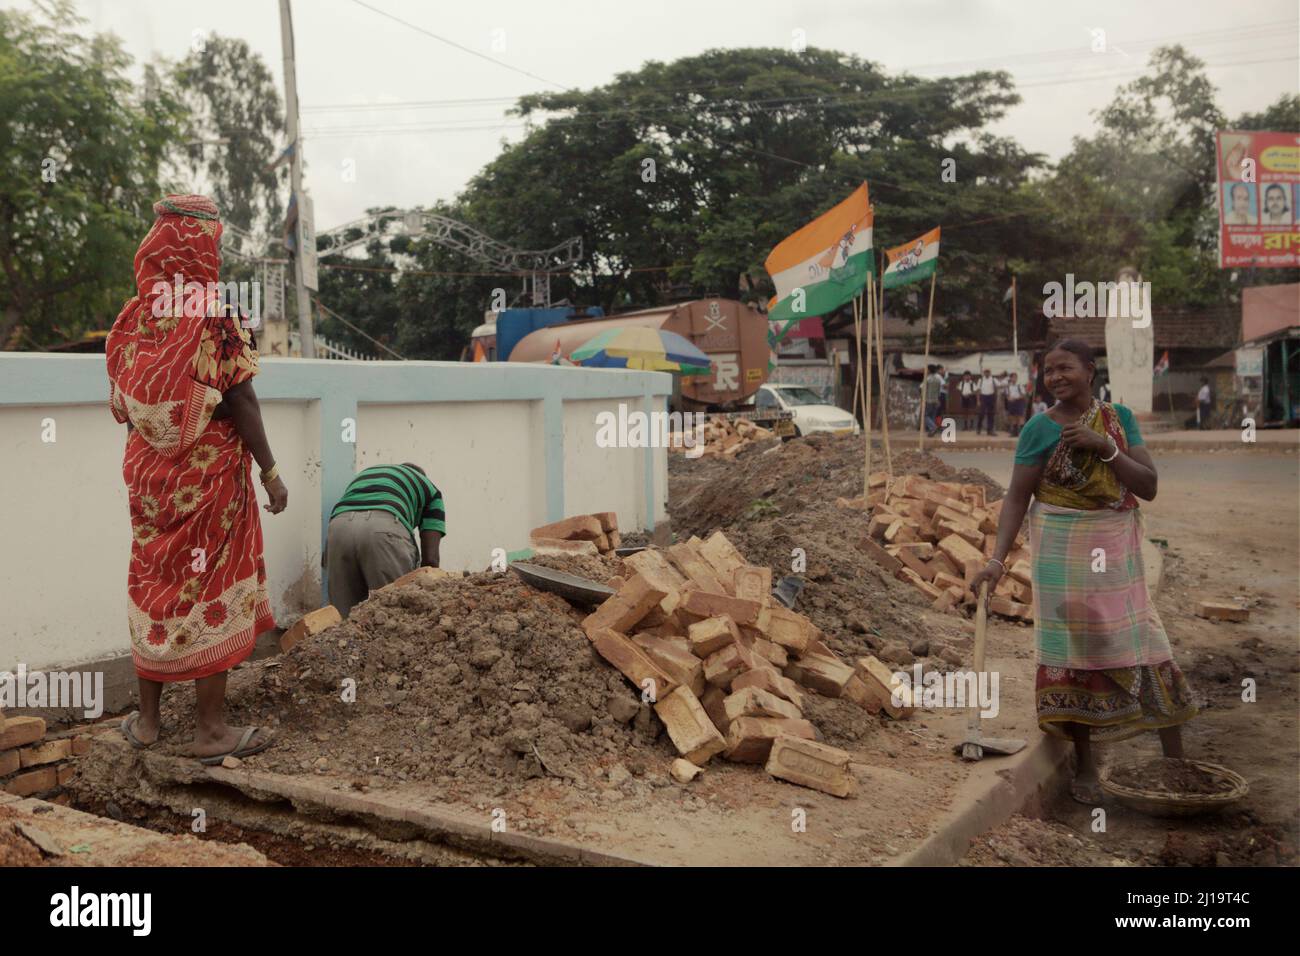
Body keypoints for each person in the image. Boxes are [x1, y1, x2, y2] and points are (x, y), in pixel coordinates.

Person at [971, 339, 1197, 804]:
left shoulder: (1119, 420)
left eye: (1064, 368)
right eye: (1048, 371)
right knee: (1073, 654)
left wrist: (1105, 447)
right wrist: (997, 560)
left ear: (1090, 371)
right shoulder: (1037, 429)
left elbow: (1149, 485)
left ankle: (1177, 763)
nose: (1054, 377)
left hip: (1116, 557)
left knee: (1145, 641)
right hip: (1061, 557)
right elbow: (1017, 497)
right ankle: (1086, 766)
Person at [106, 194, 287, 765]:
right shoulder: (215, 314)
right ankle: (211, 732)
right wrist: (271, 471)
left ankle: (149, 723)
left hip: (148, 480)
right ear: (202, 247)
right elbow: (242, 397)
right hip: (206, 482)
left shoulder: (135, 317)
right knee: (210, 585)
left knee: (154, 583)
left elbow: (121, 401)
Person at [327, 463, 446, 617]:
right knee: (395, 613)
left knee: (344, 618)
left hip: (339, 528)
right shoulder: (430, 490)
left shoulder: (367, 475)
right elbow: (431, 560)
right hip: (383, 528)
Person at [922, 365, 943, 436]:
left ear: (929, 370)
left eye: (927, 369)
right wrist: (938, 400)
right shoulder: (938, 379)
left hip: (929, 400)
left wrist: (923, 398)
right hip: (936, 400)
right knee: (932, 416)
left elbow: (922, 388)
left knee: (925, 416)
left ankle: (933, 427)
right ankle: (932, 431)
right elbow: (939, 390)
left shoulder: (928, 379)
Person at [976, 368, 997, 435]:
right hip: (983, 397)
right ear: (984, 373)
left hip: (991, 397)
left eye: (988, 372)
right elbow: (978, 391)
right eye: (986, 372)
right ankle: (978, 428)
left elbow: (999, 385)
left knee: (991, 414)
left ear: (990, 373)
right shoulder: (981, 380)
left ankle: (990, 430)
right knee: (981, 413)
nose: (987, 373)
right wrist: (978, 400)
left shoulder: (993, 379)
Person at [1005, 372, 1026, 436]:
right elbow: (1007, 395)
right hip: (1011, 403)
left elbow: (1023, 395)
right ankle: (1014, 432)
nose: (1014, 379)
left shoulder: (1019, 385)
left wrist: (1016, 398)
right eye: (1013, 377)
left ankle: (1022, 433)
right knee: (1013, 417)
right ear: (1010, 378)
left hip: (1019, 402)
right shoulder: (1008, 386)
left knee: (1020, 417)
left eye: (1015, 377)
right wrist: (1009, 398)